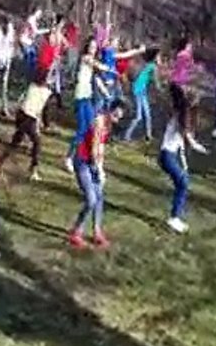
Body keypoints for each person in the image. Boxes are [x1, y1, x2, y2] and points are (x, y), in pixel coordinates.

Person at [67, 99, 126, 249]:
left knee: (99, 197)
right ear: (109, 110)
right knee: (91, 199)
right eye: (115, 115)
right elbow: (93, 148)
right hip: (82, 162)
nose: (116, 119)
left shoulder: (108, 125)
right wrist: (98, 170)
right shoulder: (98, 122)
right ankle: (76, 231)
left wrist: (101, 168)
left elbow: (101, 148)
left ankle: (97, 232)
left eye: (119, 117)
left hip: (93, 163)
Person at [158, 95, 209, 234]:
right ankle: (174, 218)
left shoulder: (180, 118)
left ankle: (175, 216)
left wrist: (185, 164)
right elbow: (186, 136)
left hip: (171, 155)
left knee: (183, 183)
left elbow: (183, 142)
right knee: (183, 183)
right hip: (167, 156)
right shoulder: (180, 119)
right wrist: (196, 145)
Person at [64, 36, 111, 171]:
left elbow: (97, 78)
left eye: (95, 47)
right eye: (91, 46)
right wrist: (108, 68)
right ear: (87, 47)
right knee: (82, 129)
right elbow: (97, 65)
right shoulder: (85, 58)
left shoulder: (92, 61)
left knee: (90, 128)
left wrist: (106, 89)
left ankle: (86, 157)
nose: (92, 49)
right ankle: (69, 157)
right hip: (80, 96)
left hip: (88, 96)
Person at [0, 74, 52, 182]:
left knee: (16, 140)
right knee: (37, 143)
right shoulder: (46, 93)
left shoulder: (31, 86)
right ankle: (33, 170)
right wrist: (46, 124)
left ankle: (0, 162)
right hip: (29, 118)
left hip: (21, 115)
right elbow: (45, 110)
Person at [124, 48, 162, 142]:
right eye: (159, 56)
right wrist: (162, 90)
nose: (160, 58)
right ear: (155, 57)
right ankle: (126, 136)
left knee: (147, 114)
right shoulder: (152, 67)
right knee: (138, 116)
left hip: (141, 91)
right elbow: (156, 82)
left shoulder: (148, 65)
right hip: (137, 91)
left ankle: (148, 136)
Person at [97, 35, 144, 109]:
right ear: (111, 42)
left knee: (108, 101)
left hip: (110, 80)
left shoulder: (107, 51)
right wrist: (138, 51)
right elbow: (124, 55)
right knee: (104, 103)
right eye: (116, 41)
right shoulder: (109, 51)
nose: (117, 43)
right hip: (107, 81)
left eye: (117, 42)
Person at [169, 36, 202, 129]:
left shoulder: (179, 54)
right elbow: (191, 68)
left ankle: (177, 128)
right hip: (181, 85)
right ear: (186, 45)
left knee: (178, 109)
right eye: (190, 45)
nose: (191, 47)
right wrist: (198, 68)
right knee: (188, 108)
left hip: (175, 84)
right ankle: (186, 130)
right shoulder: (185, 55)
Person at [0, 18, 16, 117]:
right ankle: (3, 107)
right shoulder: (1, 35)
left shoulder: (10, 35)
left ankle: (3, 107)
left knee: (3, 85)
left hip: (6, 61)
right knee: (0, 85)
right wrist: (0, 63)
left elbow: (11, 48)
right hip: (1, 61)